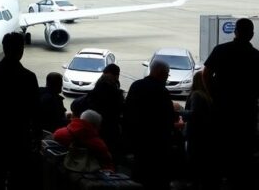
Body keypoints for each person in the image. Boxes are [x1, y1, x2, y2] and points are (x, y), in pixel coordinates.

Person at [0, 32, 41, 190]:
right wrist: (37, 137)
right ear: (21, 50)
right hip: (19, 139)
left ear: (3, 48)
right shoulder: (29, 77)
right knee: (18, 179)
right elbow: (35, 111)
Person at [203, 18, 259, 190]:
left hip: (222, 109)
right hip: (246, 111)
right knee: (243, 153)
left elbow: (206, 74)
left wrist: (213, 95)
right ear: (251, 35)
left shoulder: (221, 50)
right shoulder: (256, 56)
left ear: (235, 32)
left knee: (219, 150)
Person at [123, 59, 179, 190]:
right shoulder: (161, 91)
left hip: (137, 140)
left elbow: (128, 112)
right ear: (160, 73)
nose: (166, 77)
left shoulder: (136, 86)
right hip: (157, 144)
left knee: (139, 174)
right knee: (156, 179)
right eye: (167, 74)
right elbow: (168, 118)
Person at [180, 71, 215, 190]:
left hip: (194, 133)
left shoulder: (196, 95)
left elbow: (194, 114)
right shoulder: (207, 96)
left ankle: (193, 183)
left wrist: (180, 111)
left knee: (193, 160)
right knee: (203, 161)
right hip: (205, 133)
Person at [84, 63, 125, 161]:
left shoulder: (98, 87)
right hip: (110, 126)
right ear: (115, 75)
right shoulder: (114, 91)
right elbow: (119, 108)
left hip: (97, 126)